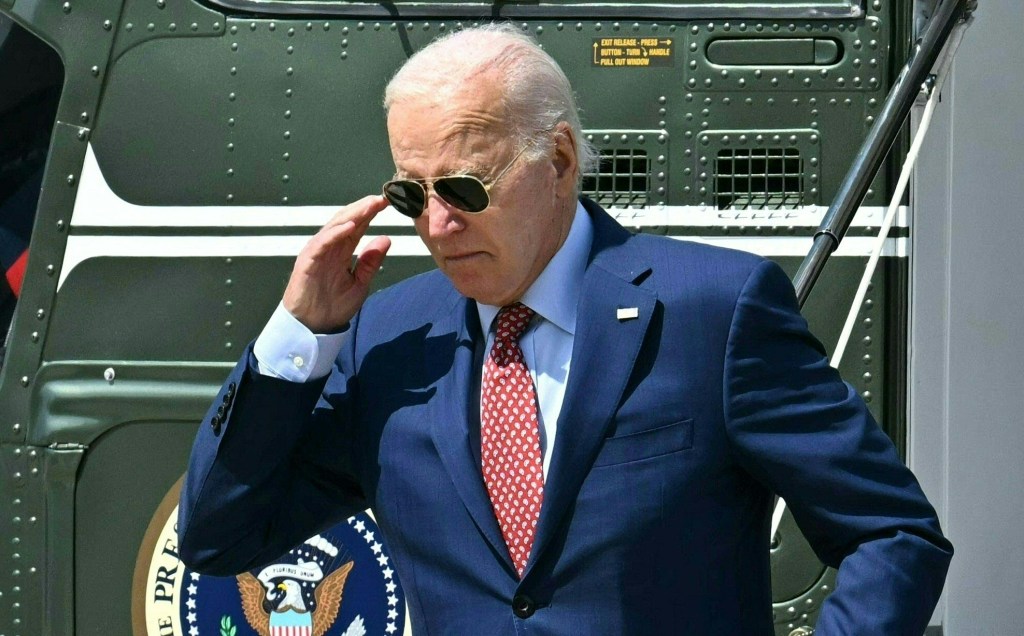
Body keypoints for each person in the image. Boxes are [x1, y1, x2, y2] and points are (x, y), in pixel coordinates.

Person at [179, 23, 952, 634]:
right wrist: (297, 338)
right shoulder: (387, 339)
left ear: (559, 158)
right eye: (410, 195)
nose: (438, 226)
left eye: (462, 187)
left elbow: (891, 532)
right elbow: (219, 538)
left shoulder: (713, 310)